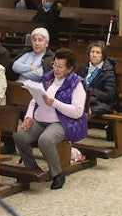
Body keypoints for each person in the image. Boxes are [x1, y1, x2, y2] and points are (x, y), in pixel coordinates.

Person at [14, 48, 86, 190]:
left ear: (69, 68)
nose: (56, 69)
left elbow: (77, 112)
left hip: (63, 122)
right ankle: (32, 168)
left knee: (45, 140)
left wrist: (55, 103)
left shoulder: (76, 84)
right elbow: (34, 100)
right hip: (40, 118)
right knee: (18, 134)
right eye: (54, 65)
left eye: (60, 66)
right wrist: (28, 116)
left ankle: (57, 174)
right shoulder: (48, 78)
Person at [77, 41, 116, 117]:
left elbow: (109, 96)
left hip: (98, 103)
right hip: (81, 100)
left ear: (103, 55)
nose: (94, 55)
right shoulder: (82, 68)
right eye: (92, 52)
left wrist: (92, 91)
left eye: (98, 52)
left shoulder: (108, 71)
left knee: (82, 113)